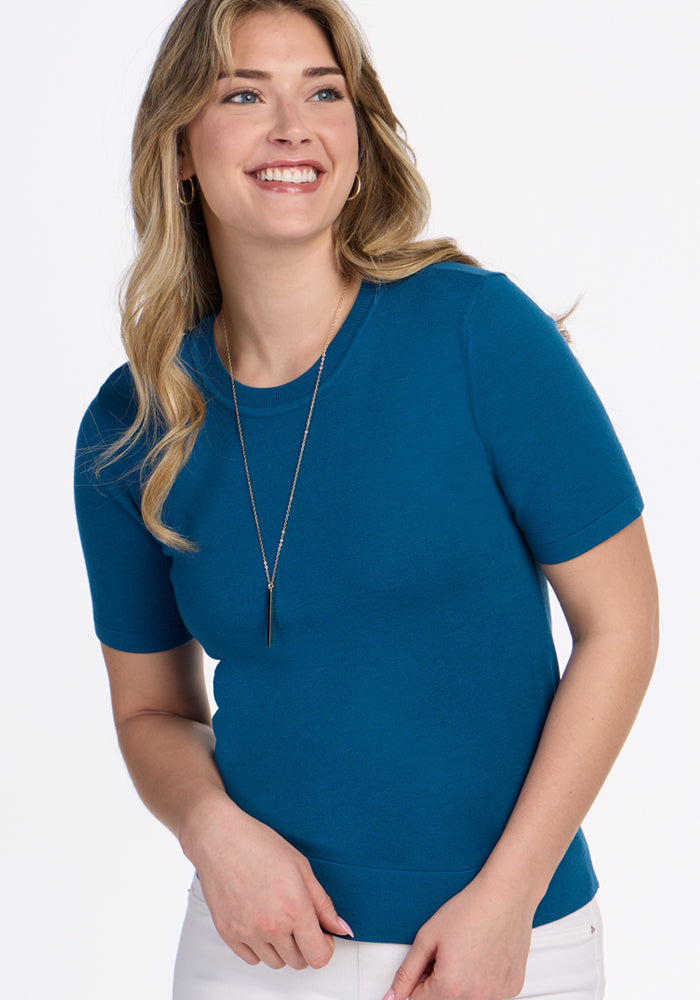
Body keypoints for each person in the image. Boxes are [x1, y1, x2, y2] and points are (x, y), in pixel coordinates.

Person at [74, 1, 659, 998]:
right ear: (179, 146)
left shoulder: (477, 333)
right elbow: (151, 713)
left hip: (495, 944)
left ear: (356, 132)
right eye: (245, 93)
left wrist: (508, 897)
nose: (291, 125)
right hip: (251, 946)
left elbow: (622, 623)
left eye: (323, 92)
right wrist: (213, 834)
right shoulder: (134, 423)